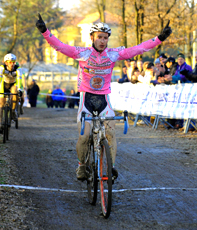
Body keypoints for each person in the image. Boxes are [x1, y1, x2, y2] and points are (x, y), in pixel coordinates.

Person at [36, 14, 172, 180]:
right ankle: (82, 166)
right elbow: (59, 46)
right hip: (86, 99)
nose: (102, 41)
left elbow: (138, 49)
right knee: (84, 136)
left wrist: (159, 38)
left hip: (103, 100)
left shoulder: (113, 54)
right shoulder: (82, 53)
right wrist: (45, 31)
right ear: (92, 38)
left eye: (105, 38)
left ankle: (111, 167)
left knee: (111, 133)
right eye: (99, 37)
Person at [0, 53, 23, 128]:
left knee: (15, 93)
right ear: (6, 62)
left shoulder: (18, 69)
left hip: (13, 85)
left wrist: (19, 88)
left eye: (14, 62)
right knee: (1, 104)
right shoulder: (2, 68)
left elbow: (19, 79)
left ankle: (13, 111)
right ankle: (0, 123)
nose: (12, 64)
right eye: (10, 62)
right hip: (4, 85)